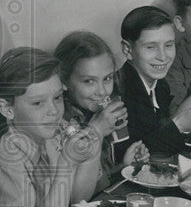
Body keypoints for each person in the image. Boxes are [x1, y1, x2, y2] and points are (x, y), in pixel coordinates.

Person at [0, 47, 102, 207]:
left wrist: (92, 144)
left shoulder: (50, 138)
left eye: (57, 98)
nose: (54, 111)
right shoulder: (6, 160)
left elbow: (78, 198)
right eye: (38, 103)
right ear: (7, 109)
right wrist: (66, 164)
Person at [115, 6, 191, 156]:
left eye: (168, 45)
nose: (163, 56)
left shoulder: (160, 86)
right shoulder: (117, 93)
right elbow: (132, 156)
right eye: (151, 47)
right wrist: (178, 125)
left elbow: (161, 142)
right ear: (128, 50)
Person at [53, 30, 149, 179]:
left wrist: (124, 166)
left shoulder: (92, 113)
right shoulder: (60, 126)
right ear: (64, 81)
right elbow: (77, 197)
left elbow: (97, 182)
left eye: (107, 78)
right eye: (89, 81)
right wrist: (96, 131)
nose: (102, 92)